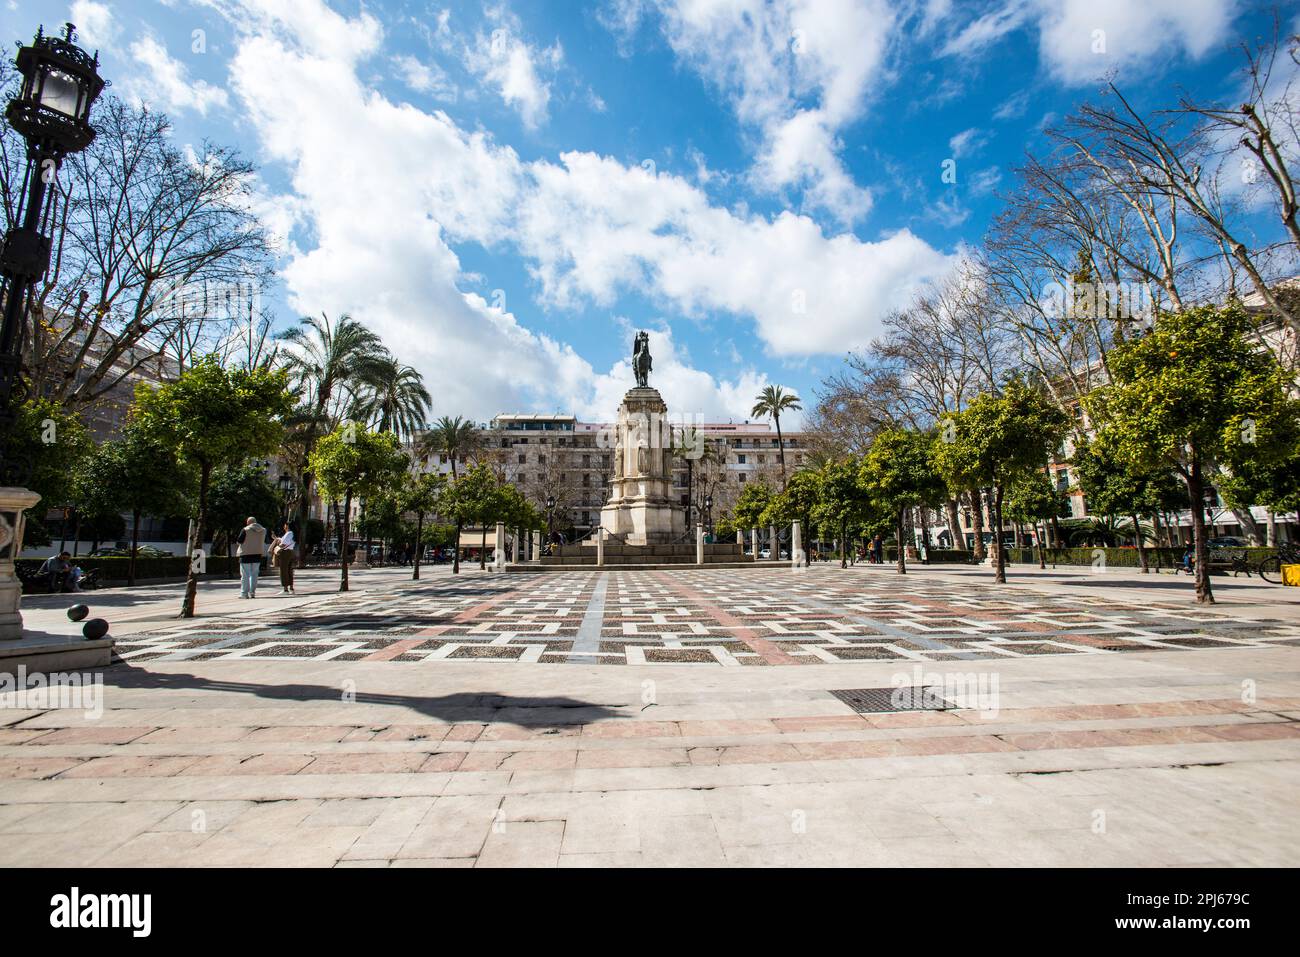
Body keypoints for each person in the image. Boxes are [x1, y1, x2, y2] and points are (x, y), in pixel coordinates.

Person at [236, 516, 267, 598]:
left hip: (245, 555)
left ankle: (244, 593)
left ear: (248, 522)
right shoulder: (263, 530)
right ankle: (252, 592)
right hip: (257, 555)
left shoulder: (245, 529)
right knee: (254, 575)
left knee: (245, 575)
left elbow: (239, 541)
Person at [271, 522, 296, 594]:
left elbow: (283, 544)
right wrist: (276, 538)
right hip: (290, 552)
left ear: (287, 526)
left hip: (285, 553)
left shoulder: (289, 533)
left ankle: (285, 589)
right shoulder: (292, 533)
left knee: (284, 570)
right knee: (289, 570)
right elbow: (283, 541)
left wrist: (277, 548)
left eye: (285, 525)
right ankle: (291, 588)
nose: (284, 526)